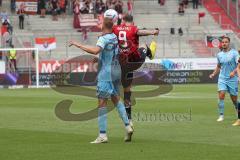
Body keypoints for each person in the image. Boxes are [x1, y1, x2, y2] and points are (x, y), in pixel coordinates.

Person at [69, 18, 133, 143]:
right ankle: (128, 125)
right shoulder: (114, 37)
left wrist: (79, 45)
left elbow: (95, 50)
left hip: (106, 73)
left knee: (102, 102)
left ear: (104, 26)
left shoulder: (103, 39)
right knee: (115, 98)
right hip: (116, 70)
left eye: (101, 23)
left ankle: (102, 135)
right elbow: (112, 51)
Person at [113, 14, 159, 129]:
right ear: (132, 21)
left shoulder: (116, 28)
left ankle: (129, 120)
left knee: (126, 92)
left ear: (123, 20)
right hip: (135, 62)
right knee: (143, 45)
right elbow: (141, 32)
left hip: (123, 65)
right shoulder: (134, 28)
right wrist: (153, 32)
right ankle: (150, 53)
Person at [209, 36, 240, 124]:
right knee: (221, 95)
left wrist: (234, 72)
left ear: (229, 43)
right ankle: (221, 115)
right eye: (223, 42)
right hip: (222, 78)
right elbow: (219, 66)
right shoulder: (219, 55)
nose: (224, 43)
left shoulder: (234, 53)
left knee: (234, 99)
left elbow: (239, 64)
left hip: (232, 79)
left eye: (226, 42)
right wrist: (213, 74)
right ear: (221, 44)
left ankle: (237, 109)